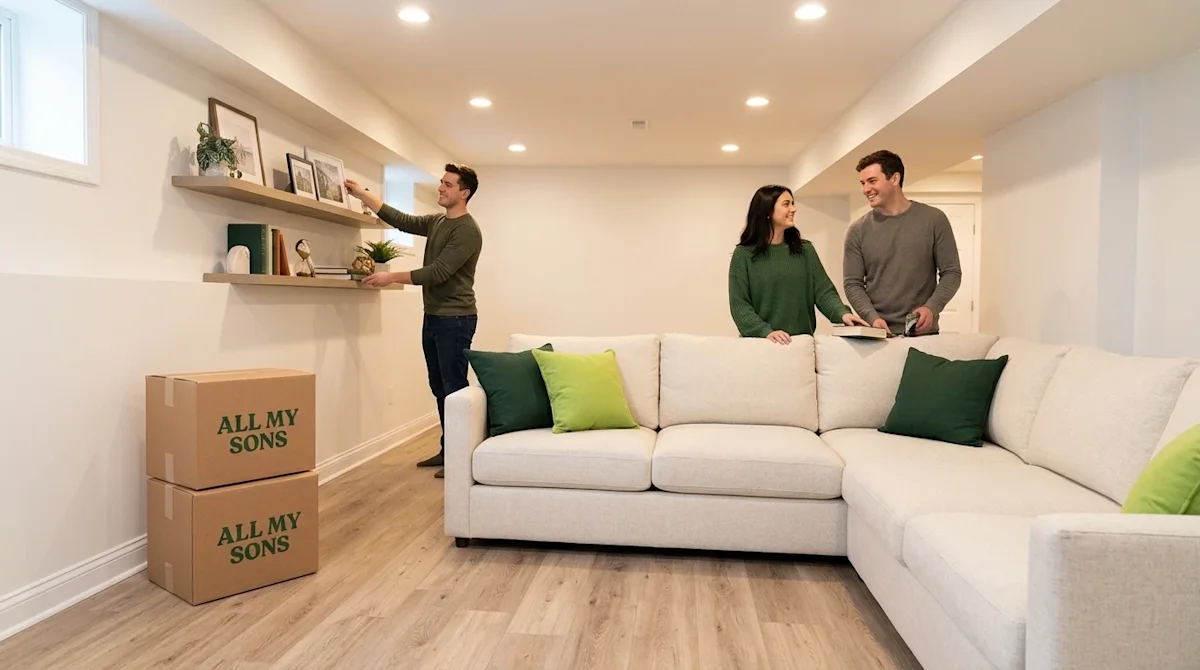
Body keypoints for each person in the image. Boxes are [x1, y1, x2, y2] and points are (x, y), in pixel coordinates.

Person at [345, 164, 483, 479]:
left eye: (448, 185)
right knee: (439, 386)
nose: (441, 189)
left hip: (456, 319)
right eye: (441, 184)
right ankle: (449, 450)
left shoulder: (467, 231)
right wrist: (364, 195)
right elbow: (402, 221)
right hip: (434, 316)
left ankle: (459, 457)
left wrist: (391, 277)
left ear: (464, 193)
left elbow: (438, 272)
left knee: (454, 389)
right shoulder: (437, 222)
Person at [729, 184, 869, 344]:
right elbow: (739, 305)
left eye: (792, 203)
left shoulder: (805, 250)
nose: (794, 209)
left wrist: (842, 314)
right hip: (761, 345)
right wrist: (766, 332)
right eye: (786, 204)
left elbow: (824, 292)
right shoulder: (744, 255)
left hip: (800, 345)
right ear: (767, 211)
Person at [843, 150, 961, 336]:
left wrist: (931, 308)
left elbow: (952, 273)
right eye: (863, 183)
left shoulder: (934, 220)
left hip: (923, 335)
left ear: (895, 178)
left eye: (872, 181)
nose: (866, 189)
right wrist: (871, 318)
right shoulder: (857, 230)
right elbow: (852, 284)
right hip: (877, 335)